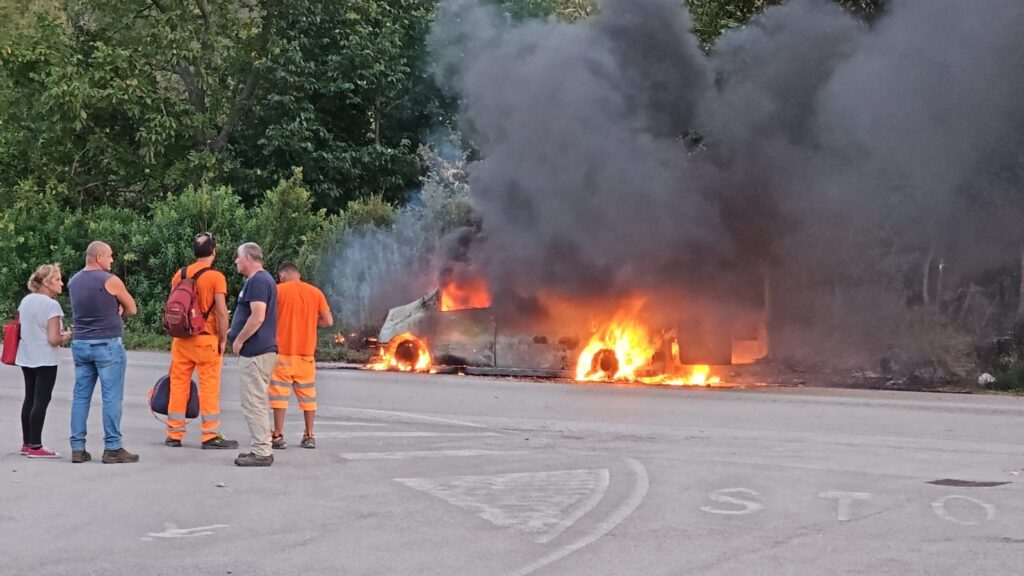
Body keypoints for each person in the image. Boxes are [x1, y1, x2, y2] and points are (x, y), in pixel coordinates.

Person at [164, 233, 239, 450]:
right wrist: (223, 339)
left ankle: (174, 433)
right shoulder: (216, 277)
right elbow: (222, 312)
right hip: (206, 340)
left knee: (178, 385)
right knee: (208, 388)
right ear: (213, 251)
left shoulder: (180, 274)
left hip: (182, 339)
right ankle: (210, 435)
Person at [67, 241, 139, 464]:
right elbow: (132, 308)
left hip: (81, 343)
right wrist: (118, 313)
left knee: (80, 396)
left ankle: (78, 447)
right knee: (111, 396)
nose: (112, 260)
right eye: (109, 256)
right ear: (98, 257)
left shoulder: (73, 281)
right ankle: (112, 447)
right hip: (107, 343)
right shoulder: (110, 280)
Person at [269, 261, 333, 450]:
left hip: (282, 354)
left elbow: (266, 317)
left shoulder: (278, 291)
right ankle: (309, 435)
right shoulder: (315, 293)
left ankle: (278, 435)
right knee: (308, 397)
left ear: (282, 276)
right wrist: (311, 322)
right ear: (298, 274)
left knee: (279, 397)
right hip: (306, 355)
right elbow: (329, 321)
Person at [228, 242, 278, 467]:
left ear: (248, 257)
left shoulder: (258, 280)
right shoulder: (262, 280)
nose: (236, 261)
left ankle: (262, 452)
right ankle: (260, 447)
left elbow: (258, 316)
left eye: (238, 257)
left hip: (256, 352)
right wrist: (233, 330)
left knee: (253, 402)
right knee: (255, 401)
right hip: (261, 351)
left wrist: (239, 340)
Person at [16, 264, 73, 458]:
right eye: (57, 280)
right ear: (47, 283)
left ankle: (26, 442)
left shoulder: (26, 301)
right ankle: (36, 445)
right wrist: (67, 335)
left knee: (29, 398)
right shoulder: (51, 305)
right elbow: (53, 339)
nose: (61, 283)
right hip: (45, 358)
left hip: (26, 356)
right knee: (41, 400)